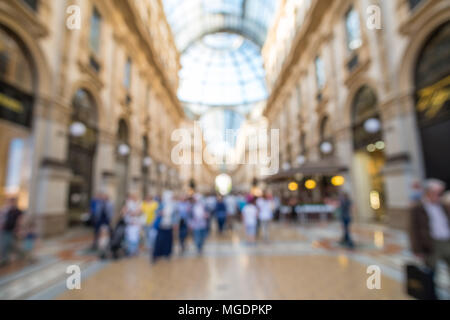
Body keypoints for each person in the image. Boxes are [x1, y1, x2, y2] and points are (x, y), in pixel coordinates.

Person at [410, 179, 450, 297]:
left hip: (447, 241)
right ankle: (431, 295)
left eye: (441, 193)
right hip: (431, 244)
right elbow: (413, 230)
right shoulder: (418, 208)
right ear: (429, 192)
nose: (440, 195)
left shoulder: (443, 205)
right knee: (431, 272)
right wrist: (417, 250)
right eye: (438, 192)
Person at [153, 191, 177, 262]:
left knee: (168, 241)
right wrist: (160, 213)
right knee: (159, 241)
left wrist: (175, 223)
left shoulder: (173, 205)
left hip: (169, 225)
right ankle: (156, 255)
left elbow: (175, 215)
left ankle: (167, 254)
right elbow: (156, 211)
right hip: (161, 225)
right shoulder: (161, 204)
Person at [0, 197, 24, 266]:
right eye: (10, 202)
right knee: (4, 245)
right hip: (4, 230)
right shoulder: (7, 210)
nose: (11, 203)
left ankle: (22, 255)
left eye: (12, 202)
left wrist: (19, 229)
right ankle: (5, 259)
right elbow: (2, 218)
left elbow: (20, 221)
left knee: (12, 246)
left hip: (12, 231)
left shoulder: (18, 211)